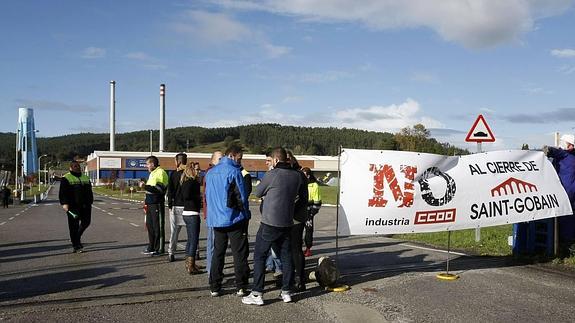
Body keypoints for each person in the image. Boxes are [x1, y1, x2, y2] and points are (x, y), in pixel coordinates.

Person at [242, 147, 308, 306]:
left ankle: (257, 293)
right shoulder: (297, 176)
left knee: (260, 256)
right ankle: (286, 291)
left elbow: (257, 192)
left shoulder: (272, 174)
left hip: (270, 222)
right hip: (287, 222)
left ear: (276, 160)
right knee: (286, 256)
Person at [205, 145, 250, 297]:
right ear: (232, 156)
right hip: (234, 218)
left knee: (218, 252)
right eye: (240, 158)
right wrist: (246, 213)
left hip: (216, 219)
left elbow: (207, 196)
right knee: (239, 253)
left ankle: (214, 285)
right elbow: (241, 197)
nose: (240, 161)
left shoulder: (210, 173)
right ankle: (241, 286)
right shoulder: (234, 172)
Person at [544, 134, 575, 249]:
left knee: (564, 215)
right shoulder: (571, 156)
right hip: (571, 190)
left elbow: (553, 151)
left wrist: (548, 149)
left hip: (566, 191)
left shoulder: (564, 154)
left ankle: (564, 242)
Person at [286, 151, 309, 291]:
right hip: (295, 216)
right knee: (292, 249)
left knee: (294, 249)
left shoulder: (296, 175)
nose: (287, 162)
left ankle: (298, 279)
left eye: (288, 159)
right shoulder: (299, 174)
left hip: (294, 217)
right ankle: (298, 278)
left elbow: (300, 197)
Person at [58, 161, 94, 253]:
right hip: (73, 206)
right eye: (75, 166)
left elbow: (89, 190)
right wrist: (64, 203)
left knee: (86, 222)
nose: (77, 167)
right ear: (70, 168)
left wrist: (90, 201)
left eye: (78, 166)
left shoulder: (85, 177)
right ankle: (76, 245)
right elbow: (63, 192)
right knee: (73, 226)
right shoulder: (66, 178)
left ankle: (77, 237)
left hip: (86, 205)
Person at [140, 156, 169, 256]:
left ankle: (159, 249)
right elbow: (150, 189)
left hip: (157, 203)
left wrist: (145, 186)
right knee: (150, 226)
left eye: (147, 164)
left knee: (158, 227)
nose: (146, 166)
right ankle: (151, 247)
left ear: (152, 164)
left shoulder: (160, 172)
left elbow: (159, 189)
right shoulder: (152, 173)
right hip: (150, 203)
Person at [180, 161, 203, 274]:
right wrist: (198, 197)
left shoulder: (185, 181)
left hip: (187, 213)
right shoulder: (192, 182)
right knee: (194, 240)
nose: (199, 171)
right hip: (192, 213)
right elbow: (187, 195)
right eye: (197, 169)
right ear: (192, 170)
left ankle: (189, 263)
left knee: (190, 239)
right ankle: (190, 266)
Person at [203, 150, 223, 275]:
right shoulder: (210, 173)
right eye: (219, 159)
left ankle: (215, 269)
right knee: (212, 244)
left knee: (218, 244)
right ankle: (211, 270)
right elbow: (206, 196)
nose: (222, 161)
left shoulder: (219, 172)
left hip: (220, 214)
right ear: (213, 160)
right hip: (213, 214)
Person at [166, 153, 188, 263]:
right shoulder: (189, 173)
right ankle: (195, 252)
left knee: (174, 231)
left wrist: (170, 205)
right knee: (191, 232)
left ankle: (171, 253)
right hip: (188, 206)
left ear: (177, 161)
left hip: (176, 206)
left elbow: (170, 191)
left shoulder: (173, 174)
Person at [302, 167, 322, 257]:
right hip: (299, 210)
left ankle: (308, 248)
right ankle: (298, 248)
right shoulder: (300, 183)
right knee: (297, 230)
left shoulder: (314, 185)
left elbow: (317, 201)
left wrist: (312, 213)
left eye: (304, 175)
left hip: (309, 211)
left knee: (309, 230)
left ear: (308, 175)